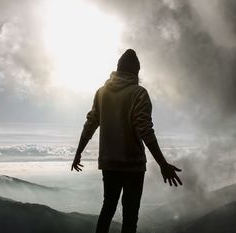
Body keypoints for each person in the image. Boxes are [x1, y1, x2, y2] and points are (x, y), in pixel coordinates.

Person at [71, 49, 182, 233]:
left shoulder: (101, 93)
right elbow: (145, 130)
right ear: (136, 71)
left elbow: (90, 124)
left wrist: (78, 154)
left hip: (109, 164)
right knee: (130, 217)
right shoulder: (139, 93)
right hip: (133, 166)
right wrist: (163, 164)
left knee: (108, 208)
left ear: (117, 68)